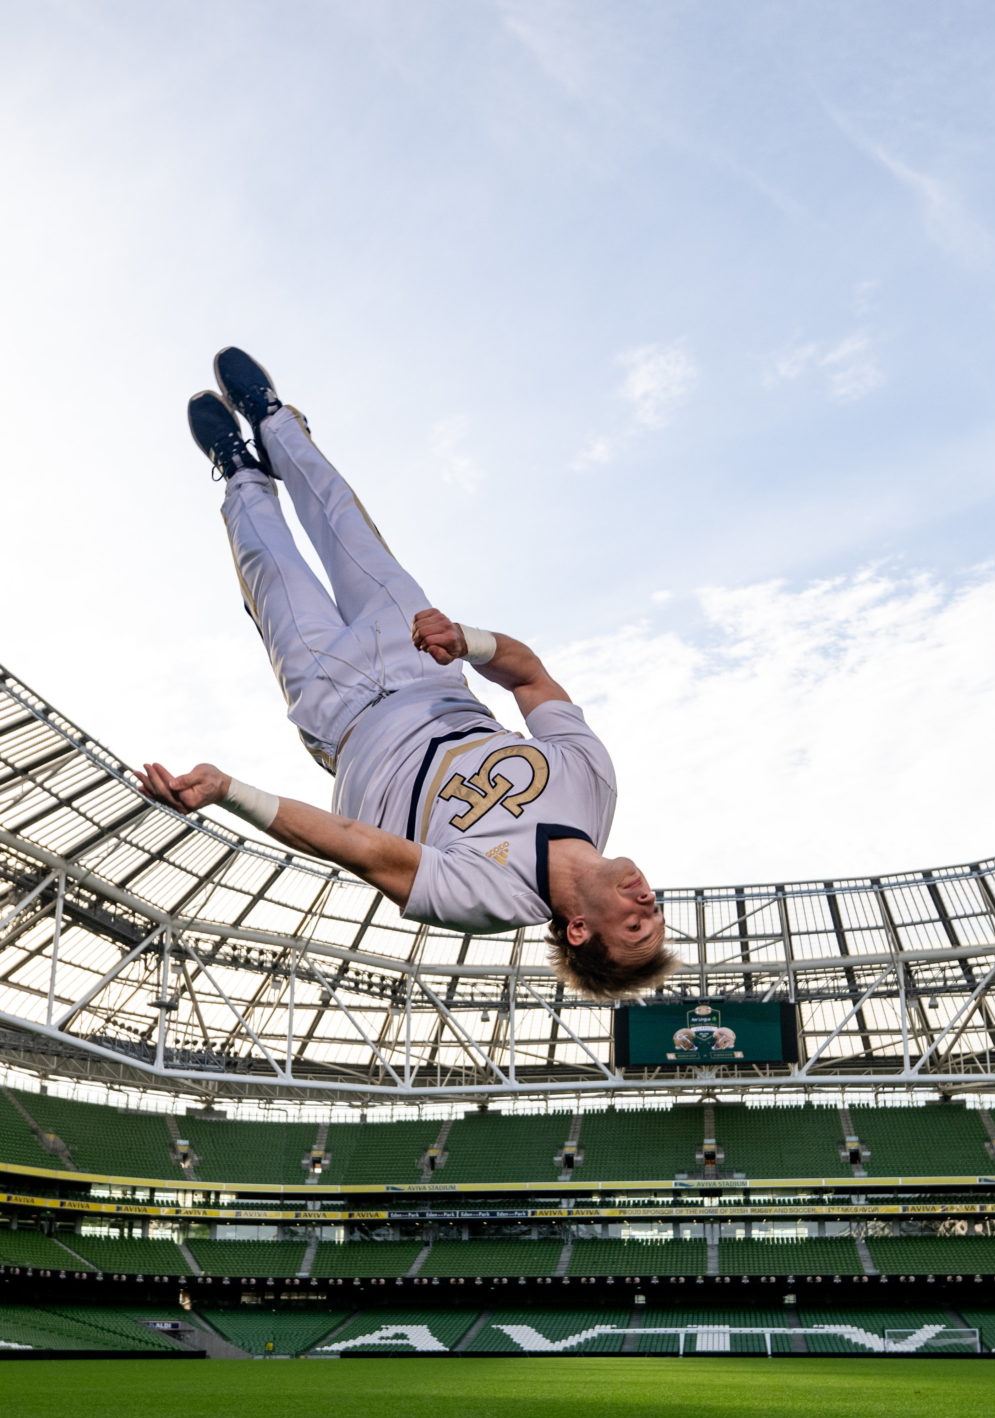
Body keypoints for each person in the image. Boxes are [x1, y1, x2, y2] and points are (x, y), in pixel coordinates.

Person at [139, 349, 675, 1000]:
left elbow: (356, 845)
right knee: (344, 525)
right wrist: (469, 641)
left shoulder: (491, 899)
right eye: (657, 914)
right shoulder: (594, 788)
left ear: (581, 931)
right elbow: (530, 678)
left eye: (637, 926)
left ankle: (238, 472)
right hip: (424, 664)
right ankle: (275, 420)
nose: (647, 904)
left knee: (268, 565)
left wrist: (231, 790)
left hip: (343, 715)